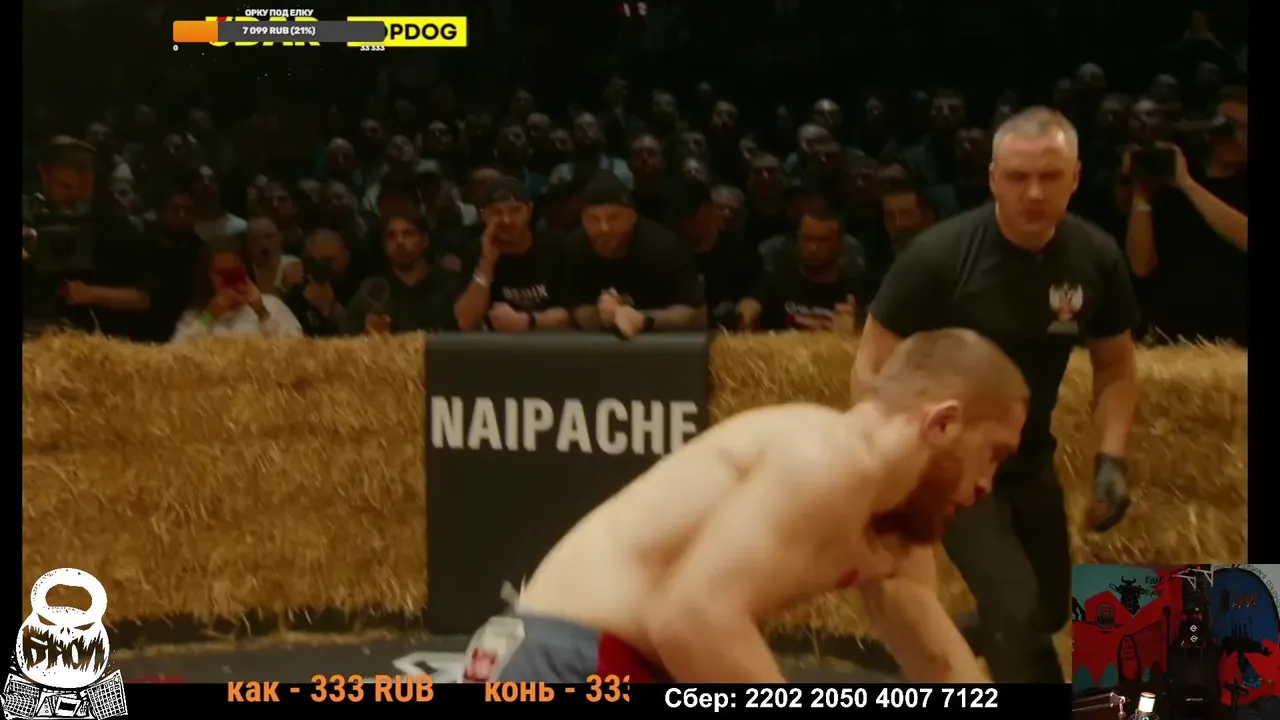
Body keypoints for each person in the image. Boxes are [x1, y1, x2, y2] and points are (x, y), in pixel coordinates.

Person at [466, 328, 1028, 683]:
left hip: (581, 660)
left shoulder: (892, 524)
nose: (987, 485)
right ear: (943, 423)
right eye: (994, 455)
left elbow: (937, 660)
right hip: (574, 661)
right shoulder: (828, 457)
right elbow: (693, 621)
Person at [854, 107, 1141, 684]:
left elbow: (1115, 365)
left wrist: (1111, 457)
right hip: (951, 463)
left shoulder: (1095, 256)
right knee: (1018, 618)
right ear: (992, 179)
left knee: (1050, 608)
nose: (1033, 193)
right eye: (1017, 177)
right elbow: (871, 367)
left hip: (1029, 458)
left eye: (1049, 176)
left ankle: (930, 649)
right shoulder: (938, 256)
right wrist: (902, 466)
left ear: (1076, 178)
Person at [1124, 86, 1247, 346]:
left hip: (1236, 339)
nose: (1236, 137)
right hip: (1176, 338)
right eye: (1228, 127)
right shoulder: (1174, 185)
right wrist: (1141, 192)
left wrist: (1188, 184)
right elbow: (1141, 265)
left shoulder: (1185, 182)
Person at [562, 172, 705, 338]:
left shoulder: (663, 248)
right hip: (594, 344)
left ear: (631, 217)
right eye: (593, 219)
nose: (604, 228)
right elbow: (572, 308)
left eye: (614, 218)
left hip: (661, 342)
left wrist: (643, 319)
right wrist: (603, 314)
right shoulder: (575, 247)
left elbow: (696, 313)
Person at [449, 176, 571, 333]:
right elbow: (466, 322)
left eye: (515, 210)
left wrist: (527, 321)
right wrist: (487, 263)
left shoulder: (556, 246)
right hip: (497, 345)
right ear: (483, 215)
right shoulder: (475, 251)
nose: (506, 220)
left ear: (529, 211)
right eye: (497, 212)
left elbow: (572, 315)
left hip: (552, 342)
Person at [344, 210, 467, 335]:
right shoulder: (372, 292)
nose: (399, 241)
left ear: (424, 240)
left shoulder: (451, 287)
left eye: (408, 234)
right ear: (384, 244)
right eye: (391, 236)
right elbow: (346, 339)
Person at [171, 236, 303, 342]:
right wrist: (209, 316)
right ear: (208, 276)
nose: (229, 279)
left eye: (234, 272)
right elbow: (175, 356)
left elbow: (295, 351)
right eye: (221, 273)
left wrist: (262, 313)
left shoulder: (273, 306)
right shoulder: (194, 316)